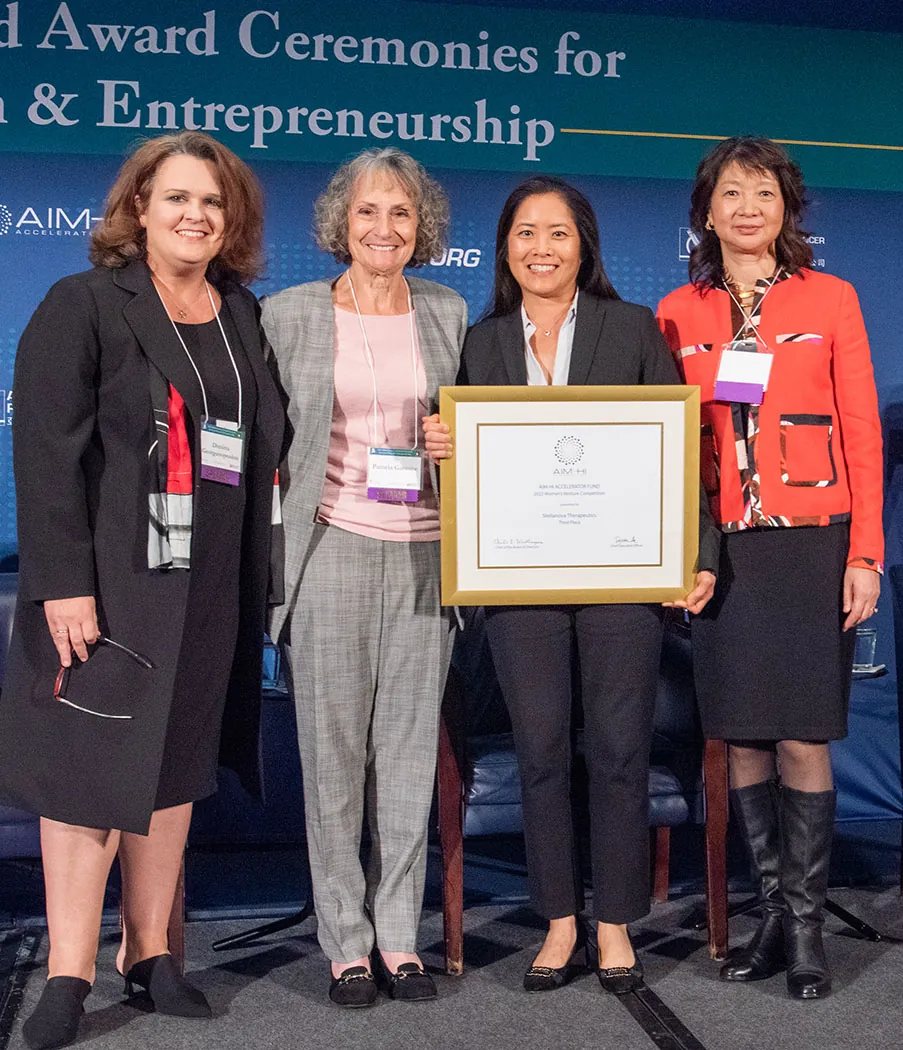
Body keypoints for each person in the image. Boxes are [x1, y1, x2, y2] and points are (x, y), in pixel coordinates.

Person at [0, 130, 284, 1048]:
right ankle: (67, 972)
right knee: (89, 777)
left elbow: (259, 440)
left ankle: (150, 952)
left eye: (213, 201)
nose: (196, 215)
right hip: (110, 587)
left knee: (174, 770)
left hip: (209, 586)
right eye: (178, 198)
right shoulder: (84, 303)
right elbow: (47, 456)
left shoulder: (239, 312)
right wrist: (62, 585)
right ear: (139, 209)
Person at [424, 176, 719, 995]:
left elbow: (676, 450)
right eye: (525, 232)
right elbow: (469, 477)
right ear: (504, 248)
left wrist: (695, 553)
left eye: (557, 232)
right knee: (541, 752)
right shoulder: (481, 343)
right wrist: (442, 448)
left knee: (620, 751)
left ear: (583, 245)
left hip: (621, 575)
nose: (541, 248)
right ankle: (557, 920)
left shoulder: (630, 328)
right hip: (519, 581)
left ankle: (614, 921)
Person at [657, 137, 882, 1000]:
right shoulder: (675, 312)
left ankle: (809, 925)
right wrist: (681, 554)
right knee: (741, 733)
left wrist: (865, 553)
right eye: (730, 193)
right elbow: (673, 446)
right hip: (725, 551)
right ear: (705, 212)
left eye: (762, 192)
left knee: (800, 735)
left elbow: (860, 430)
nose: (746, 208)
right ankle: (771, 915)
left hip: (812, 542)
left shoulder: (831, 297)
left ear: (785, 207)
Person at [262, 147, 466, 1008]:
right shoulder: (289, 314)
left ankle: (399, 939)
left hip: (426, 553)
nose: (384, 228)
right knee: (334, 758)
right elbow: (264, 445)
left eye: (401, 213)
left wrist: (457, 445)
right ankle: (345, 944)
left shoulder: (448, 310)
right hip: (330, 550)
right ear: (340, 223)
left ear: (422, 228)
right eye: (368, 212)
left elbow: (479, 429)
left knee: (408, 759)